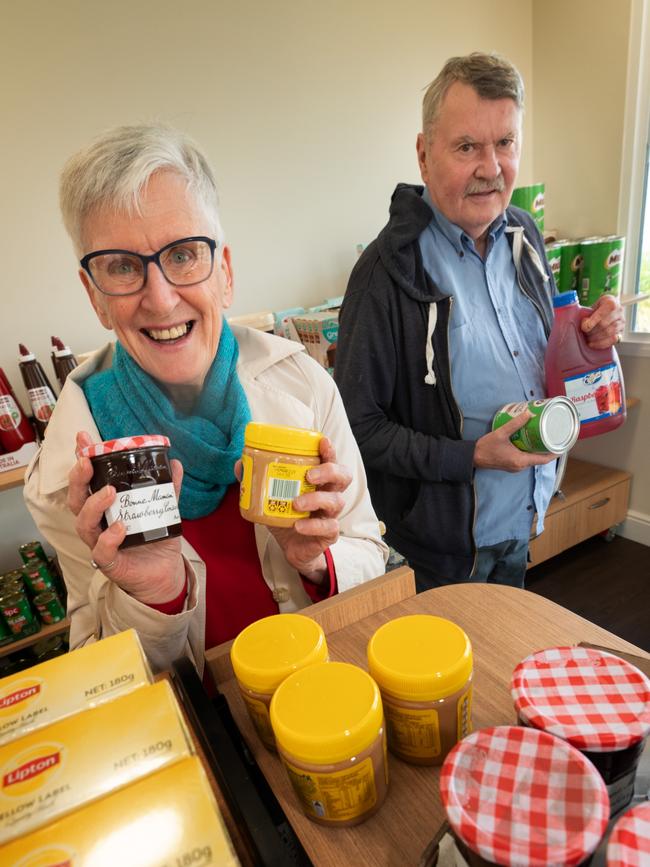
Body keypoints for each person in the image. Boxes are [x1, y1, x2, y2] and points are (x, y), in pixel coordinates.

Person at [24, 124, 387, 672]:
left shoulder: (303, 386)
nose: (162, 298)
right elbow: (100, 677)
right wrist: (154, 597)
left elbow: (372, 555)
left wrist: (317, 560)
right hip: (208, 733)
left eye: (185, 255)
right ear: (94, 297)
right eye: (122, 267)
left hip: (326, 690)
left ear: (225, 272)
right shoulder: (68, 474)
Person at [334, 52, 624, 592]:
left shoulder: (525, 235)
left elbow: (540, 352)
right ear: (424, 155)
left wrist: (588, 337)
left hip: (524, 516)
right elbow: (360, 430)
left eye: (506, 144)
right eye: (467, 146)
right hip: (439, 548)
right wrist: (470, 457)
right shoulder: (384, 273)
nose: (491, 168)